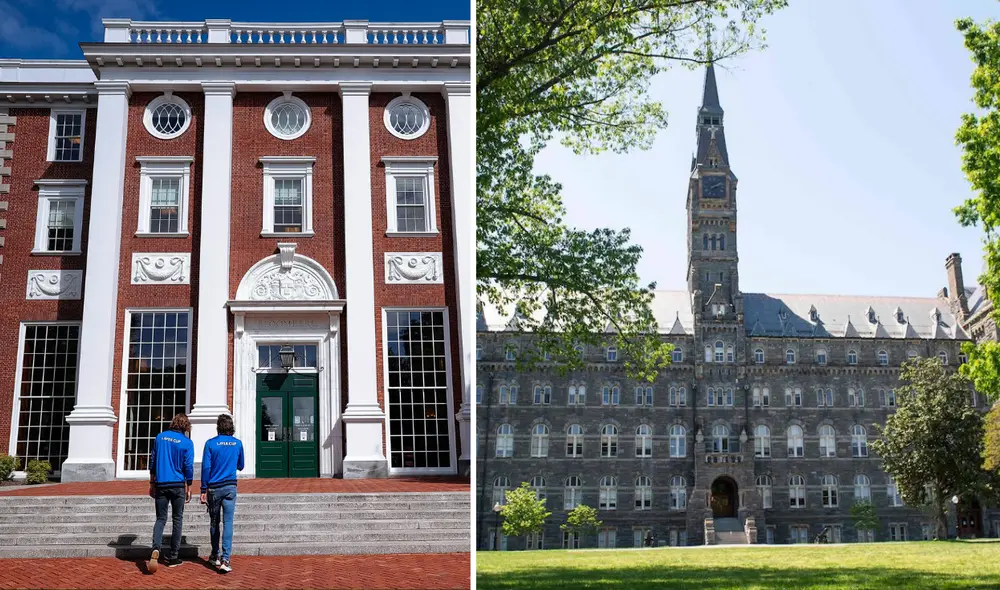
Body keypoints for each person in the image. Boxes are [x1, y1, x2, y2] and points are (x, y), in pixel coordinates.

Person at [148, 413, 194, 573]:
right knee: (177, 519)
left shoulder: (160, 437)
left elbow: (152, 461)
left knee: (160, 518)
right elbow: (188, 466)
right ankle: (173, 556)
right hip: (177, 484)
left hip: (161, 483)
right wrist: (189, 485)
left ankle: (156, 548)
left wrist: (152, 482)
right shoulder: (187, 442)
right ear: (186, 426)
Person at [200, 413, 245, 574]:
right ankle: (226, 558)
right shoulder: (237, 444)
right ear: (231, 427)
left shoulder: (211, 444)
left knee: (214, 522)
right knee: (228, 523)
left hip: (214, 487)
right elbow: (241, 466)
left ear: (218, 427)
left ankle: (215, 555)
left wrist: (202, 489)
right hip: (230, 487)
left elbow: (206, 468)